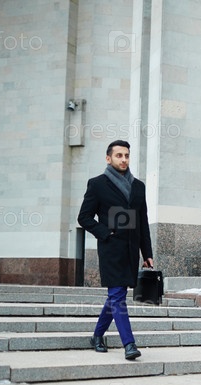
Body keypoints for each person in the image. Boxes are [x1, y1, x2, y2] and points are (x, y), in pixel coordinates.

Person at [78, 140, 153, 360]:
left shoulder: (138, 186)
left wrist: (147, 253)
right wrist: (105, 233)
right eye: (119, 155)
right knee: (118, 296)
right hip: (110, 249)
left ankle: (97, 336)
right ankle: (129, 344)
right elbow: (84, 217)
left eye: (126, 155)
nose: (124, 159)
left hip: (130, 250)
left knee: (115, 296)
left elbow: (142, 221)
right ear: (108, 158)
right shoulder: (97, 184)